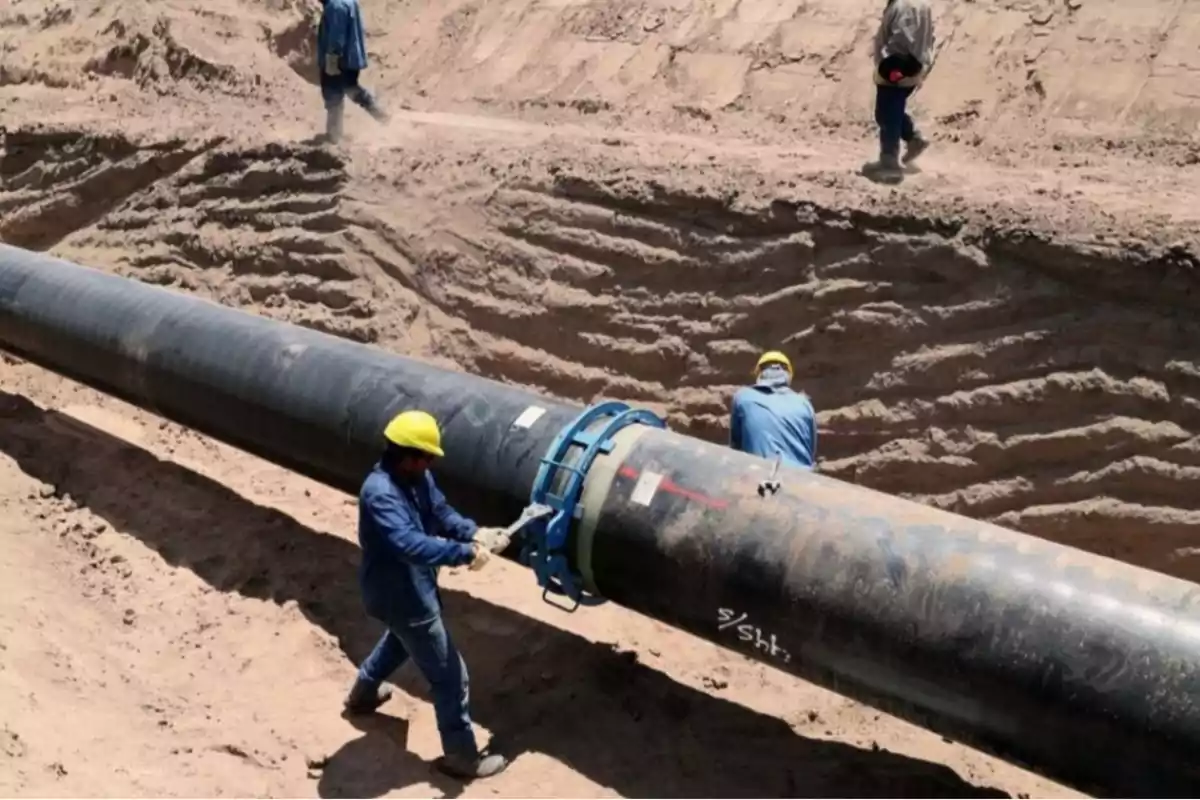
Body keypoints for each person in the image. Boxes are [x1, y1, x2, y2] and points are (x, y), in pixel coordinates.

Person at [343, 409, 514, 780]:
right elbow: (409, 546)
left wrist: (474, 533)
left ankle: (362, 695)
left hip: (410, 589)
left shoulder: (418, 477)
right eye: (427, 455)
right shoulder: (380, 494)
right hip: (401, 595)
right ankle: (461, 757)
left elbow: (441, 512)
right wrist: (464, 554)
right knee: (451, 676)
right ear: (407, 455)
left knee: (402, 641)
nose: (432, 461)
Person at [865, 0, 936, 181]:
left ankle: (889, 162)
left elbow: (902, 39)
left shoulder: (907, 5)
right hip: (908, 67)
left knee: (888, 114)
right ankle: (913, 139)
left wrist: (891, 66)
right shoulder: (917, 4)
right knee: (889, 111)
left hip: (898, 68)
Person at [729, 351, 818, 469]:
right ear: (788, 377)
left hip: (758, 478)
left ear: (759, 375)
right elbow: (811, 452)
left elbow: (736, 450)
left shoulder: (743, 397)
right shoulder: (804, 405)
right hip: (801, 481)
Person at [316, 0, 389, 143]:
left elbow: (337, 35)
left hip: (340, 59)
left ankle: (334, 136)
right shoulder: (347, 2)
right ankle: (381, 115)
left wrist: (332, 59)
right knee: (351, 88)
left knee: (333, 94)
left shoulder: (335, 6)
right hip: (351, 58)